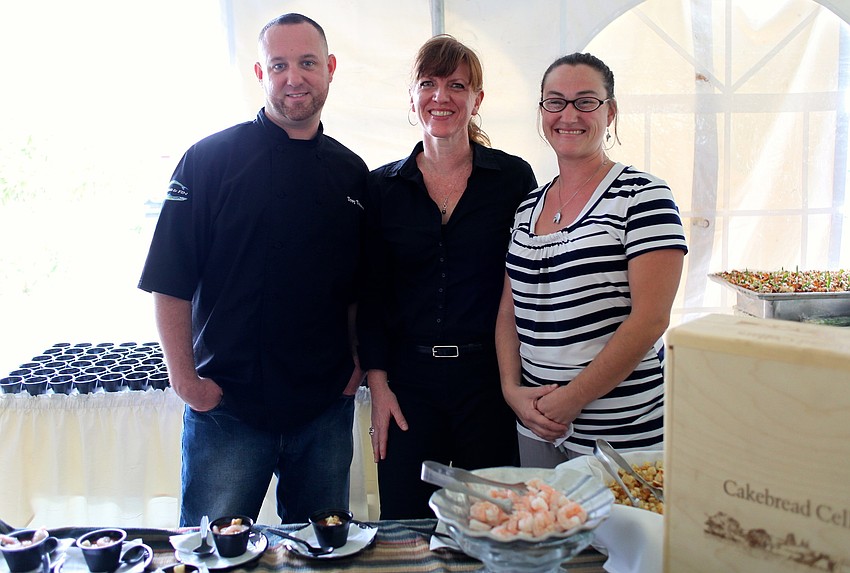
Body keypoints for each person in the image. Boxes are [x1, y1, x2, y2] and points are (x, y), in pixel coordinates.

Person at [138, 13, 367, 526]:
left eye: (308, 63)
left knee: (323, 557)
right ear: (262, 75)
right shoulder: (209, 160)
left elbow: (356, 289)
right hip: (228, 411)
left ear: (329, 68)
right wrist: (187, 384)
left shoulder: (351, 172)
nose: (295, 77)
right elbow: (168, 281)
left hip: (324, 411)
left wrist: (352, 369)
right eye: (279, 65)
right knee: (212, 556)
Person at [356, 35, 538, 519]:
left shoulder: (513, 179)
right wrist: (379, 387)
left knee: (495, 520)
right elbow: (370, 293)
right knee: (407, 525)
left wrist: (515, 382)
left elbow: (524, 284)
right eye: (428, 84)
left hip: (489, 382)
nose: (442, 97)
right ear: (412, 98)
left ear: (477, 100)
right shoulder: (381, 187)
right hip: (408, 386)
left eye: (457, 85)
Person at [496, 52, 687, 467]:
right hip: (537, 423)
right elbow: (510, 310)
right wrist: (512, 391)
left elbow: (652, 318)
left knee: (620, 533)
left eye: (586, 101)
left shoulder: (643, 196)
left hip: (622, 432)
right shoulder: (528, 206)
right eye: (555, 101)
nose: (569, 114)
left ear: (610, 111)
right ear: (542, 110)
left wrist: (573, 399)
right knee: (548, 530)